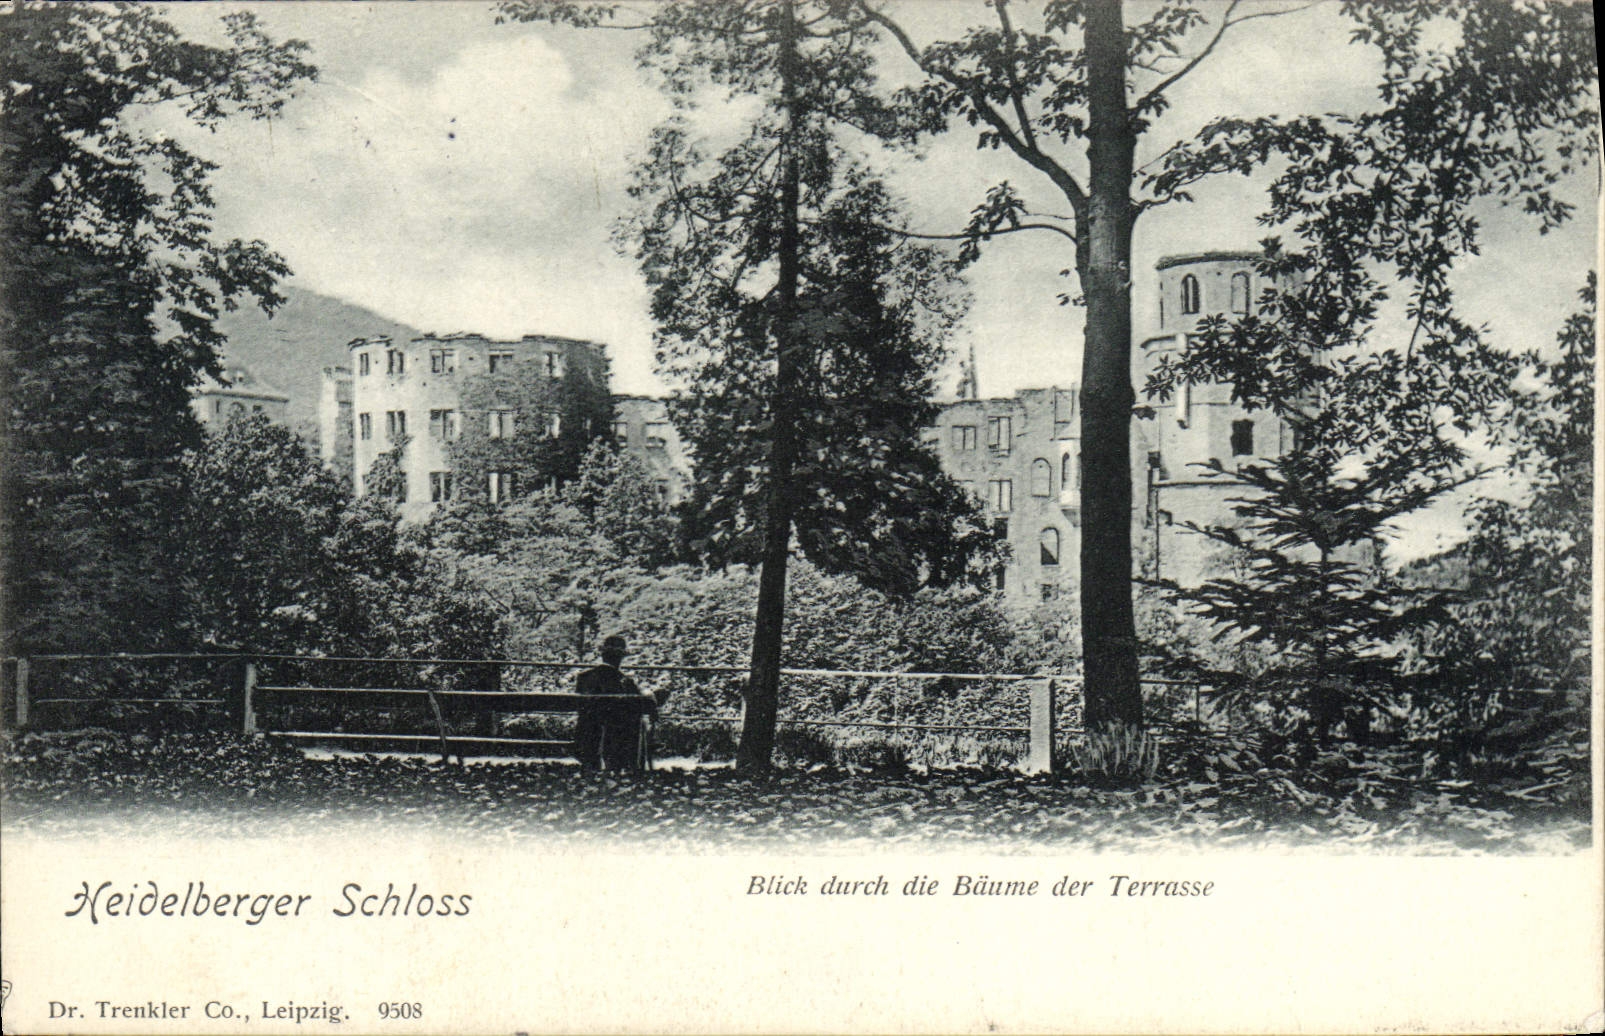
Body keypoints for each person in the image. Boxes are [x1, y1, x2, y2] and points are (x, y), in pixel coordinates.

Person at [573, 634, 666, 771]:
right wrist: (653, 698)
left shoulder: (584, 677)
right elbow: (640, 703)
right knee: (634, 720)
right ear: (620, 658)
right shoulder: (623, 681)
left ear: (603, 655)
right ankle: (634, 767)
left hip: (586, 734)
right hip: (617, 738)